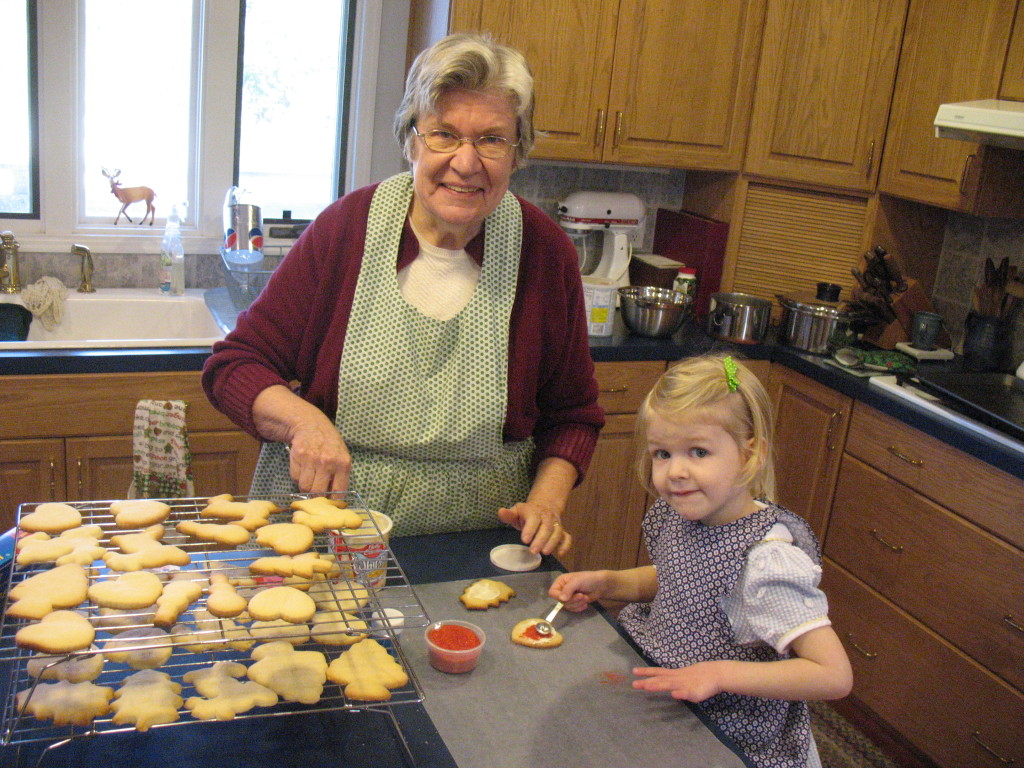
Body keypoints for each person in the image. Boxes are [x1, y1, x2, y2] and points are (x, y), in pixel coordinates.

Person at [202, 33, 603, 556]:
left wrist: (547, 503)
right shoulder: (346, 229)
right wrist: (307, 423)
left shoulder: (544, 253)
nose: (465, 161)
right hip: (323, 529)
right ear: (412, 140)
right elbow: (235, 365)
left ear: (517, 152)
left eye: (491, 140)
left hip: (474, 541)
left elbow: (572, 413)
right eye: (443, 134)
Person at [549, 355, 852, 768]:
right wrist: (610, 583)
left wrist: (718, 674)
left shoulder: (767, 559)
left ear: (750, 455)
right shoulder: (680, 514)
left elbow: (832, 674)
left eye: (698, 451)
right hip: (670, 698)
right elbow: (681, 578)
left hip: (729, 731)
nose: (675, 471)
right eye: (662, 453)